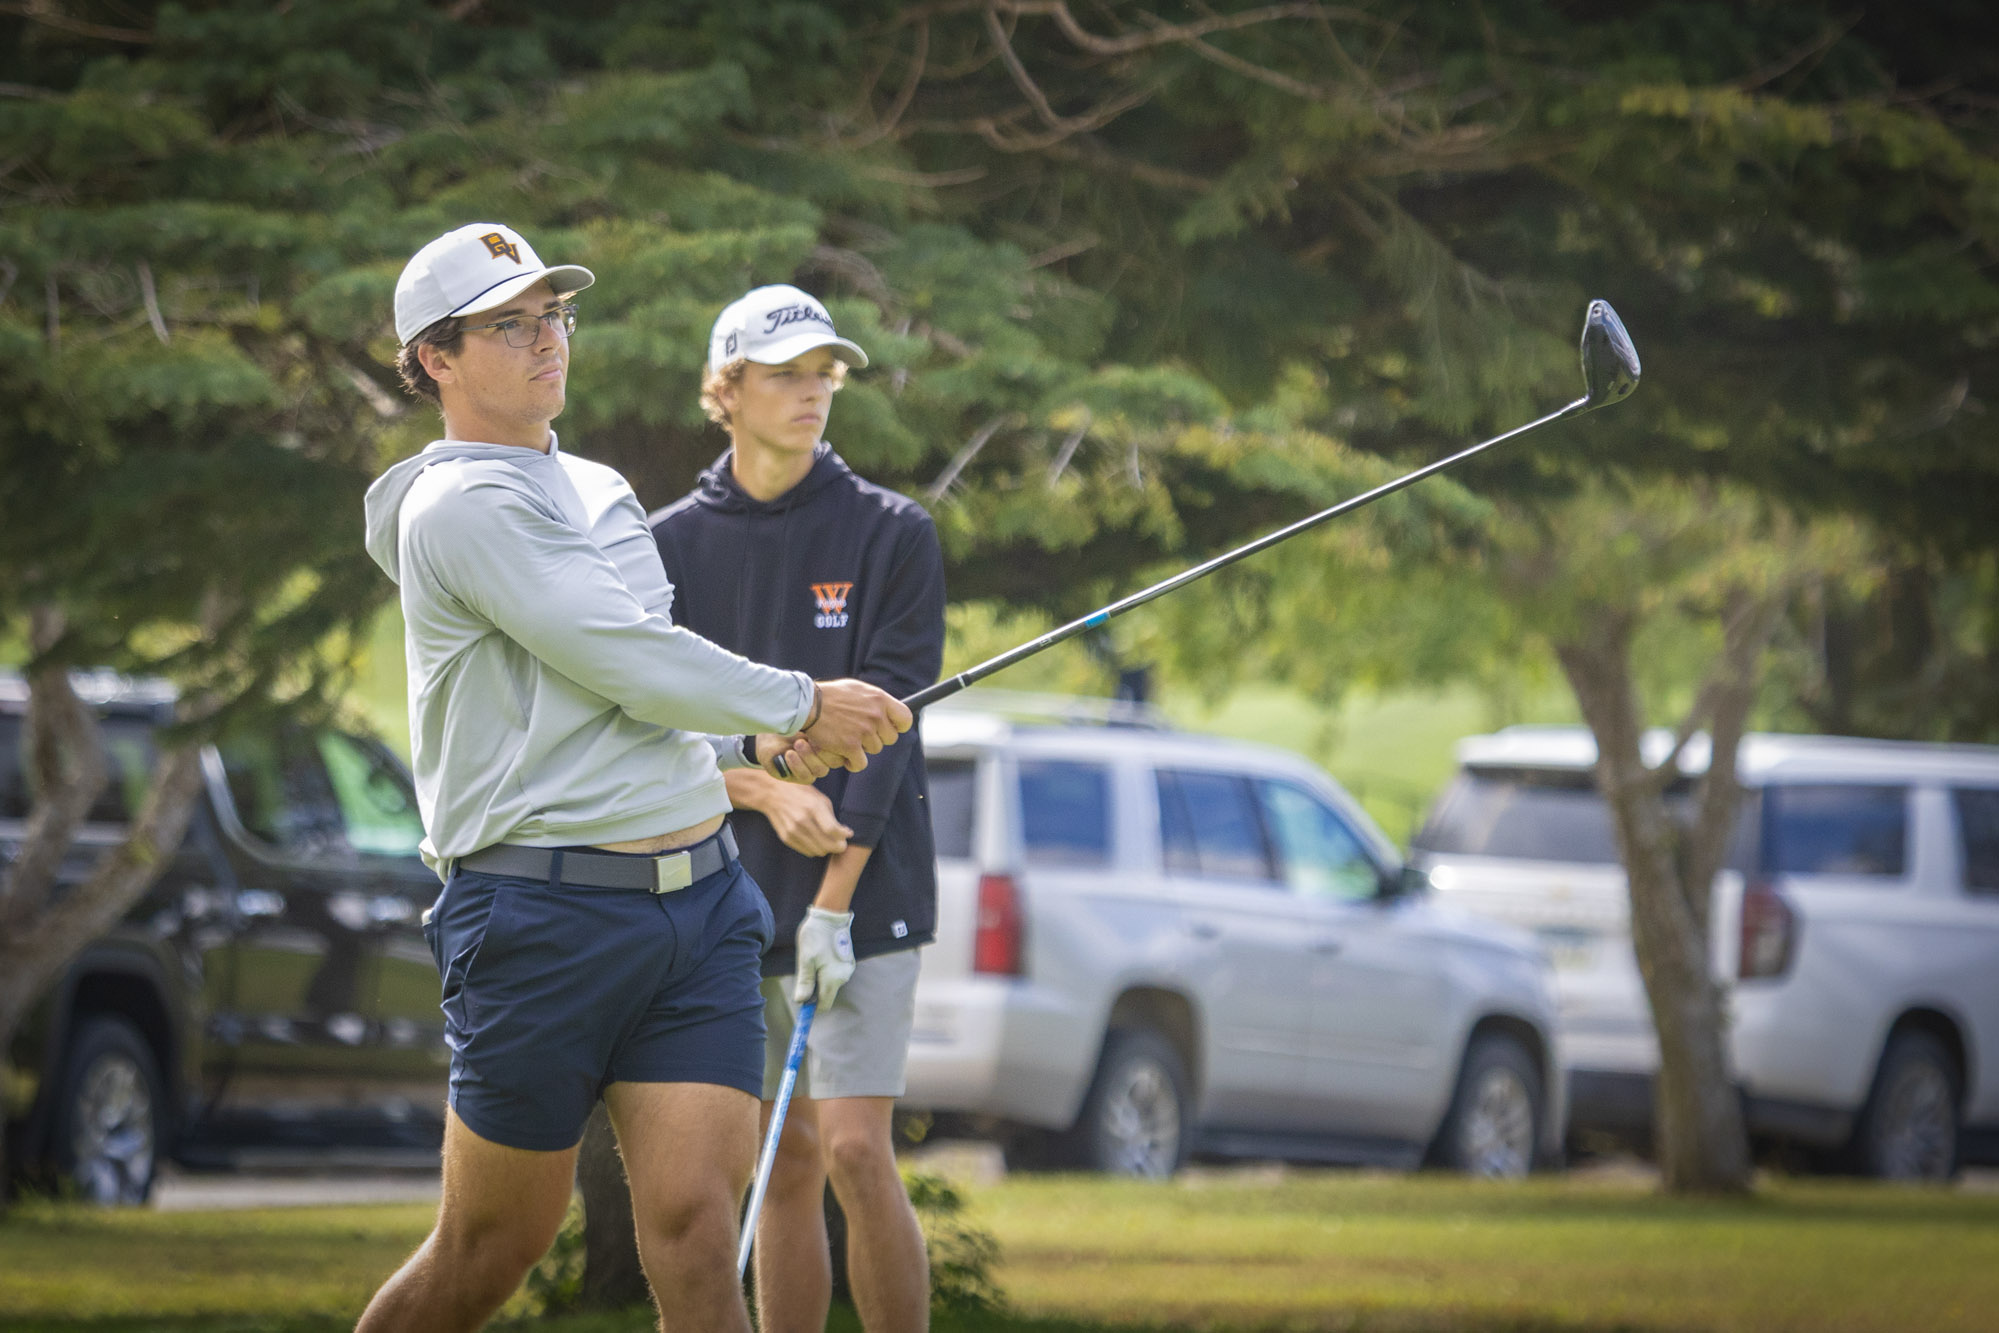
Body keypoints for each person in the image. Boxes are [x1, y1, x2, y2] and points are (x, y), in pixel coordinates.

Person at [355, 224, 911, 1333]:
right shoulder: (457, 505)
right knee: (489, 1249)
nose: (546, 340)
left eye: (554, 316)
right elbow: (624, 654)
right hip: (538, 915)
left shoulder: (600, 486)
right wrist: (801, 702)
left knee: (701, 1235)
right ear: (435, 359)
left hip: (698, 908)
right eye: (509, 325)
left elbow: (635, 701)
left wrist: (750, 750)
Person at [650, 285, 945, 1333]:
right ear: (725, 389)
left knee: (856, 1149)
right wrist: (765, 788)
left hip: (865, 885)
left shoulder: (891, 532)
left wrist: (833, 902)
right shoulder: (666, 544)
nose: (813, 391)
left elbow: (887, 729)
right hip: (724, 890)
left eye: (825, 373)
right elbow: (652, 732)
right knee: (781, 1158)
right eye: (785, 374)